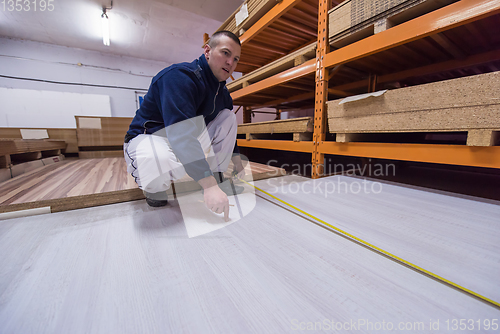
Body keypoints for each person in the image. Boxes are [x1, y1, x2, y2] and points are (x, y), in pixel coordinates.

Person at [124, 31, 245, 221]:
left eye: (236, 58)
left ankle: (217, 175)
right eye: (226, 53)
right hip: (151, 138)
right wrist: (208, 186)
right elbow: (181, 134)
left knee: (228, 117)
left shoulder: (222, 93)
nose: (231, 62)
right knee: (156, 159)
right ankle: (155, 190)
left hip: (186, 138)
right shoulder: (179, 78)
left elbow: (225, 129)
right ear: (207, 51)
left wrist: (237, 160)